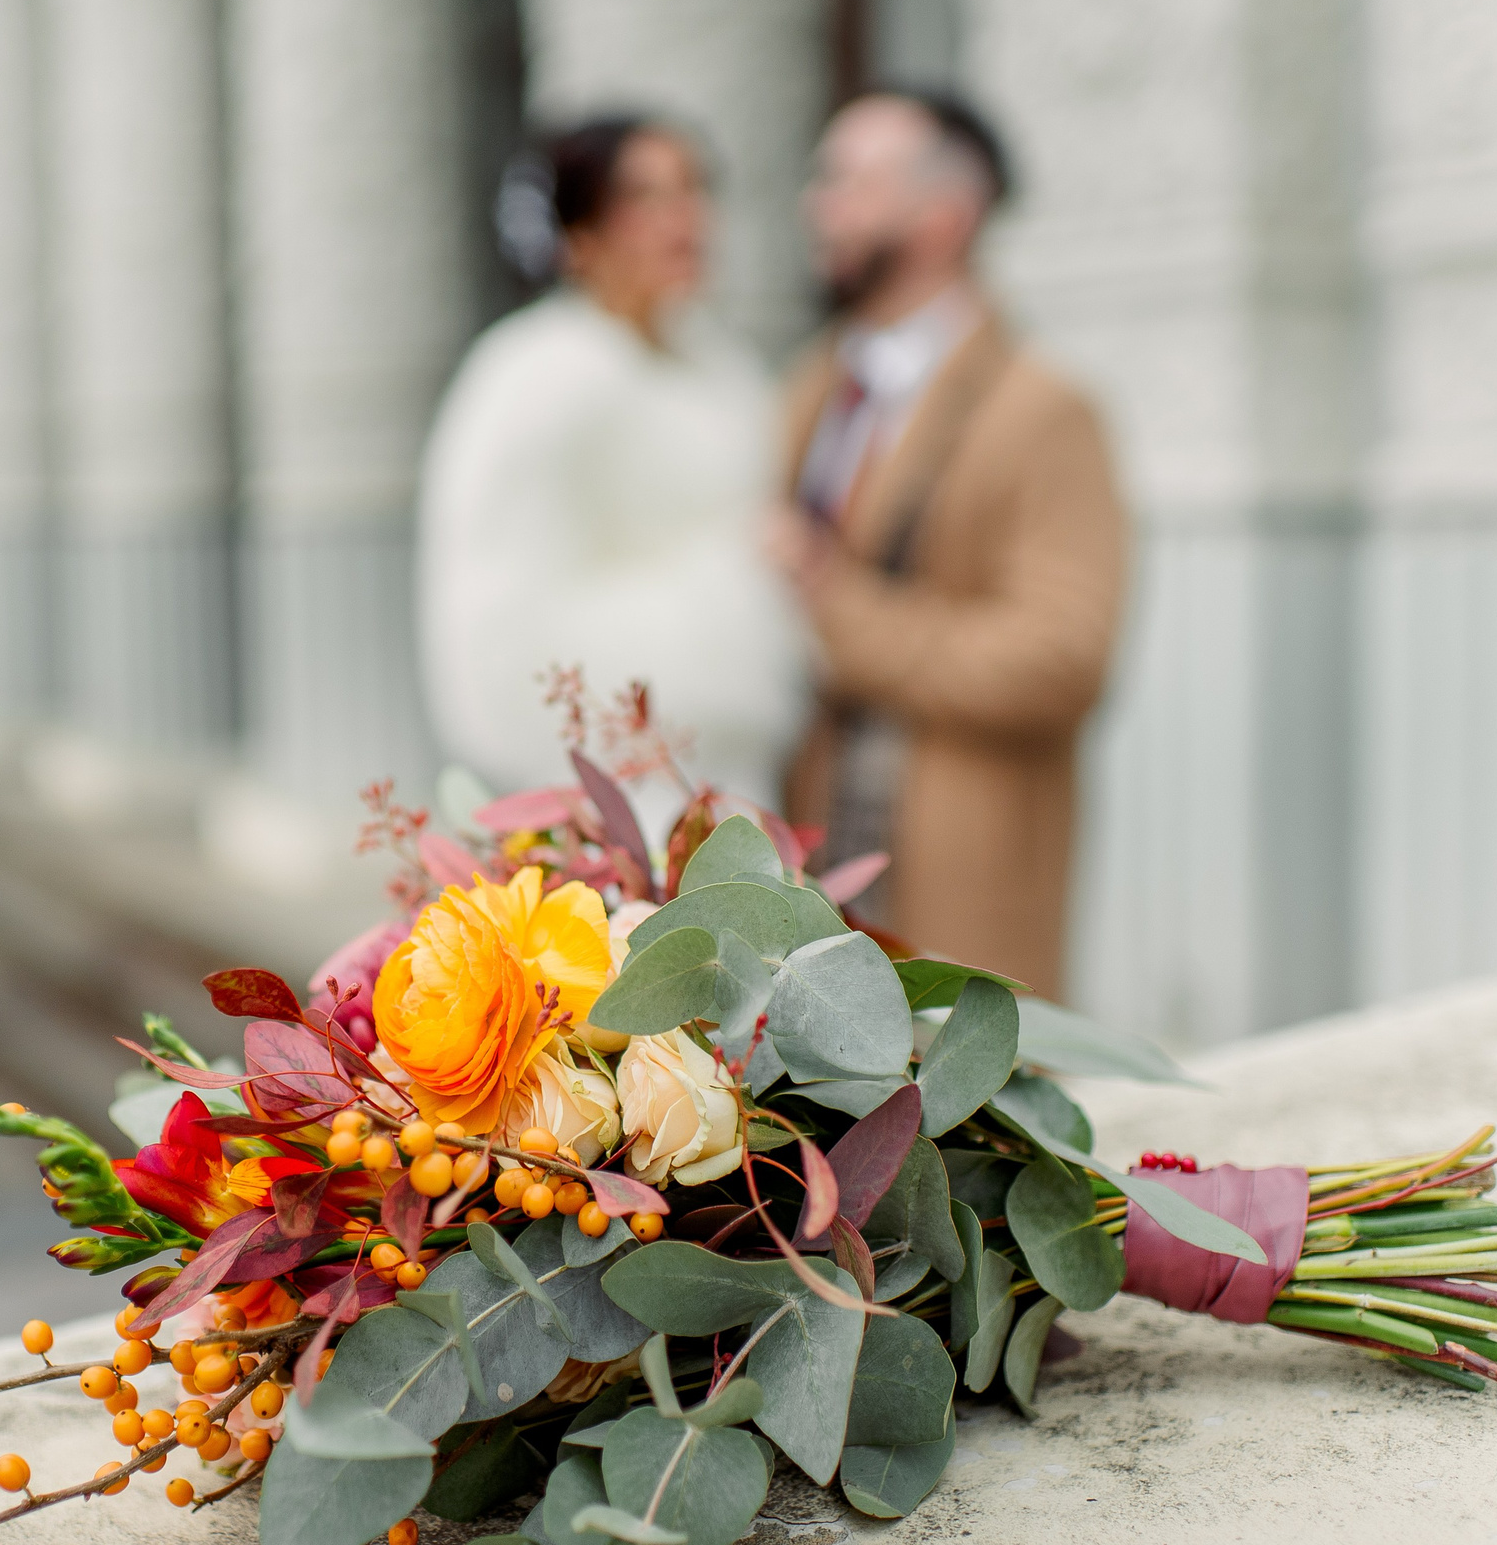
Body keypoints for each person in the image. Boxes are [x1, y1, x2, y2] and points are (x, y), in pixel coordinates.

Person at [767, 88, 1127, 999]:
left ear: (945, 214)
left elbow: (1060, 658)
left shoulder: (1045, 410)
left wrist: (836, 608)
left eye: (848, 180)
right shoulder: (814, 387)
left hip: (956, 900)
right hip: (816, 892)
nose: (818, 204)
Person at [417, 117, 806, 819]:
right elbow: (496, 608)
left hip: (734, 763)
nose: (682, 219)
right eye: (644, 196)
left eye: (693, 189)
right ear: (581, 232)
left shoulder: (727, 371)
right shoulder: (533, 380)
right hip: (613, 776)